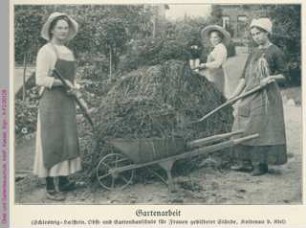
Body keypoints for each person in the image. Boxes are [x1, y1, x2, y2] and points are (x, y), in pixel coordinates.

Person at [230, 18, 287, 176]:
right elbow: (243, 77)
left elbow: (285, 75)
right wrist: (235, 95)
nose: (256, 37)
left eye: (259, 33)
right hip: (250, 92)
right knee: (241, 122)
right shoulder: (254, 52)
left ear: (267, 33)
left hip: (266, 96)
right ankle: (245, 162)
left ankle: (260, 165)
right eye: (253, 34)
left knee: (259, 127)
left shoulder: (275, 52)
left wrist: (270, 78)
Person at [33, 12, 81, 200]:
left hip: (66, 102)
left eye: (65, 28)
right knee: (51, 141)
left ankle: (63, 181)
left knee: (67, 140)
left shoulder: (68, 52)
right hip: (51, 103)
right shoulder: (46, 51)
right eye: (59, 27)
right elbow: (40, 79)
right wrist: (62, 84)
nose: (63, 31)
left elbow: (71, 79)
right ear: (52, 29)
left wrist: (74, 87)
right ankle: (50, 186)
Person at [198, 25, 231, 94]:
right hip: (213, 74)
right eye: (211, 37)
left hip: (217, 74)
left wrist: (205, 65)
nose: (213, 39)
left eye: (215, 37)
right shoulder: (216, 48)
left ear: (220, 38)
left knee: (218, 93)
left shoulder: (221, 48)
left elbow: (218, 63)